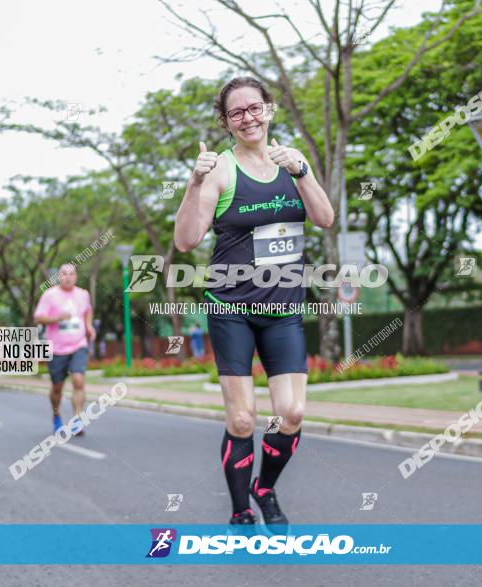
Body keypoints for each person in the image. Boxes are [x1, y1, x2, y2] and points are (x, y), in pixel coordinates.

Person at [173, 77, 333, 531]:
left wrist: (302, 172)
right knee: (242, 418)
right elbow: (186, 241)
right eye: (237, 112)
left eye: (255, 108)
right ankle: (241, 507)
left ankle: (265, 488)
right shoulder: (221, 170)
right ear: (225, 122)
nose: (248, 118)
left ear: (270, 110)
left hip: (283, 308)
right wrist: (193, 181)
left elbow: (325, 218)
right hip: (231, 307)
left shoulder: (293, 161)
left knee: (292, 413)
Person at [34, 264, 96, 435]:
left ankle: (77, 420)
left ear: (76, 276)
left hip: (78, 345)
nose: (68, 277)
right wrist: (57, 318)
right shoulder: (49, 295)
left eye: (71, 274)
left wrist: (89, 326)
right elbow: (38, 317)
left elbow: (87, 311)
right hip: (56, 349)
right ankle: (56, 415)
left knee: (78, 380)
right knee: (57, 387)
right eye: (64, 274)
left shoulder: (83, 294)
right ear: (58, 276)